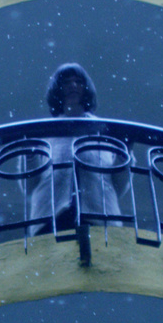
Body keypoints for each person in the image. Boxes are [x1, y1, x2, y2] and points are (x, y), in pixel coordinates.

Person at [27, 64, 130, 240]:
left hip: (99, 219)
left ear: (86, 87)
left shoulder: (105, 131)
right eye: (66, 82)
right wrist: (29, 156)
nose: (73, 86)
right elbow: (30, 186)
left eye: (78, 82)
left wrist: (123, 154)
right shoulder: (44, 133)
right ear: (58, 90)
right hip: (50, 220)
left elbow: (119, 184)